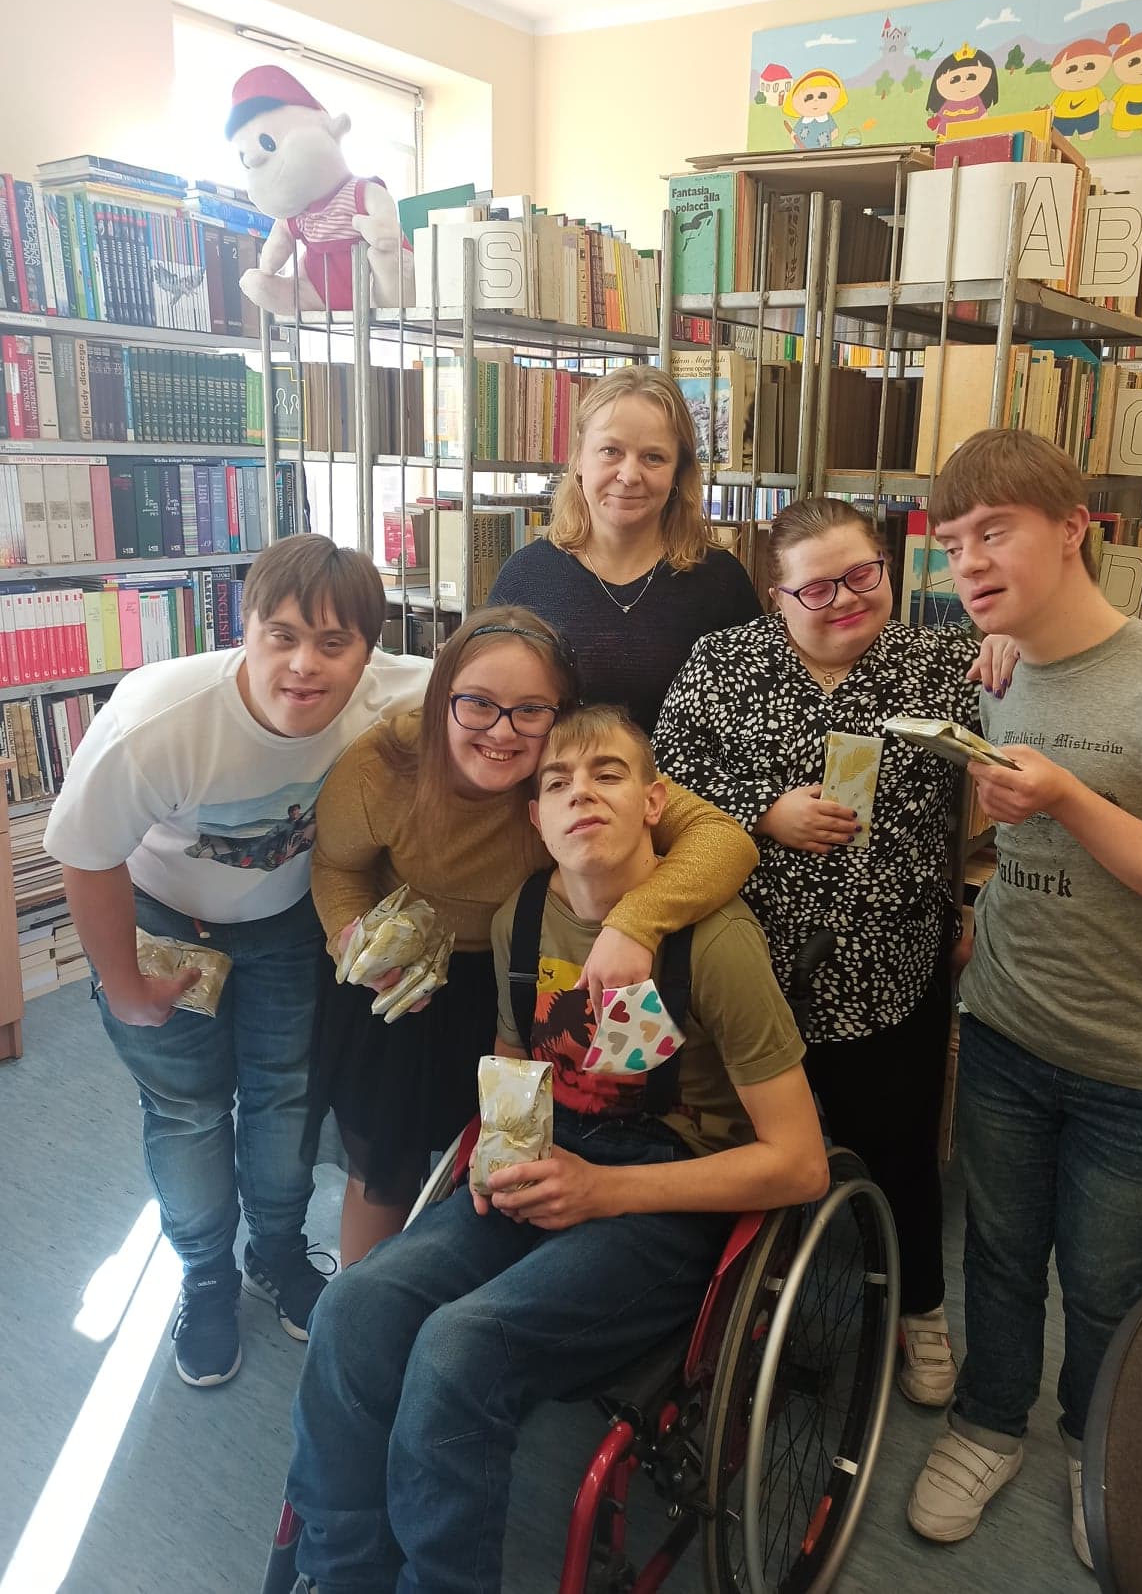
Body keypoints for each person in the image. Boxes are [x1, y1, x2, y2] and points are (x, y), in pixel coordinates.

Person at [286, 703, 827, 1594]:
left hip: (666, 1195)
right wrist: (501, 1157)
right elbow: (515, 1062)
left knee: (458, 1350)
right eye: (557, 782)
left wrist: (605, 1192)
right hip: (549, 1151)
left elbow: (802, 1164)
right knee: (352, 1308)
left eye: (608, 774)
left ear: (654, 803)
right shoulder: (523, 917)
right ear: (534, 818)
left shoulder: (718, 943)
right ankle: (341, 1572)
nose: (582, 793)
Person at [906, 430, 1142, 1567]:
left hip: (1141, 1061)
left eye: (993, 532)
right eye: (950, 543)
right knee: (1001, 1253)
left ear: (1074, 531)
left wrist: (1065, 799)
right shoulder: (996, 668)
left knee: (1107, 1284)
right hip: (1008, 1028)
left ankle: (1094, 1445)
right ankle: (988, 1421)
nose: (967, 562)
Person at [42, 535, 431, 1388]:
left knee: (286, 1096)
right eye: (281, 635)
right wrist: (123, 986)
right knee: (187, 1111)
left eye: (334, 643)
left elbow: (493, 688)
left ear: (369, 651)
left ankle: (279, 1254)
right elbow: (84, 851)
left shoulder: (391, 692)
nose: (305, 665)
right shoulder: (160, 718)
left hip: (285, 923)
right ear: (243, 629)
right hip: (161, 918)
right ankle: (206, 1277)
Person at [654, 496, 1015, 1410]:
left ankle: (919, 1306)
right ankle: (730, 1310)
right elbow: (665, 781)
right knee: (743, 1148)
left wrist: (1018, 642)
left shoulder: (939, 663)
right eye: (819, 587)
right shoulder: (722, 663)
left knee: (900, 1147)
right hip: (749, 973)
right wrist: (760, 811)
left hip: (890, 965)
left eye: (865, 574)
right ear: (776, 596)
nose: (849, 598)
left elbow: (1028, 733)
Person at [310, 606, 760, 1266]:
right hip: (405, 989)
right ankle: (368, 1303)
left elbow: (722, 839)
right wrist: (355, 942)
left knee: (501, 1170)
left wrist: (635, 923)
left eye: (529, 710)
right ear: (441, 699)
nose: (502, 730)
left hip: (516, 978)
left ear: (559, 714)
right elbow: (336, 865)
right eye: (477, 704)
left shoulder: (568, 771)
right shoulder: (383, 767)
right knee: (384, 1170)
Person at [487, 364, 760, 732]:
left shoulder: (722, 583)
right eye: (610, 451)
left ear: (678, 472)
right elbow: (491, 710)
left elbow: (752, 722)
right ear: (579, 459)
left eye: (654, 457)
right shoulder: (524, 579)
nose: (630, 475)